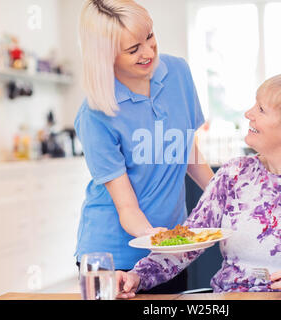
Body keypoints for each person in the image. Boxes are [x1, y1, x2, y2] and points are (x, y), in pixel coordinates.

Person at [115, 72, 281, 298]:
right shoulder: (234, 173)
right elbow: (189, 243)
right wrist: (137, 276)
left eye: (261, 109)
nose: (249, 114)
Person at [74, 0, 214, 293]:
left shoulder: (178, 73)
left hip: (169, 254)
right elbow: (126, 207)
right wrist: (155, 237)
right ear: (105, 55)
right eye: (133, 49)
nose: (149, 52)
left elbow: (187, 151)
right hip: (114, 256)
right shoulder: (96, 114)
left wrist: (225, 195)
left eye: (150, 37)